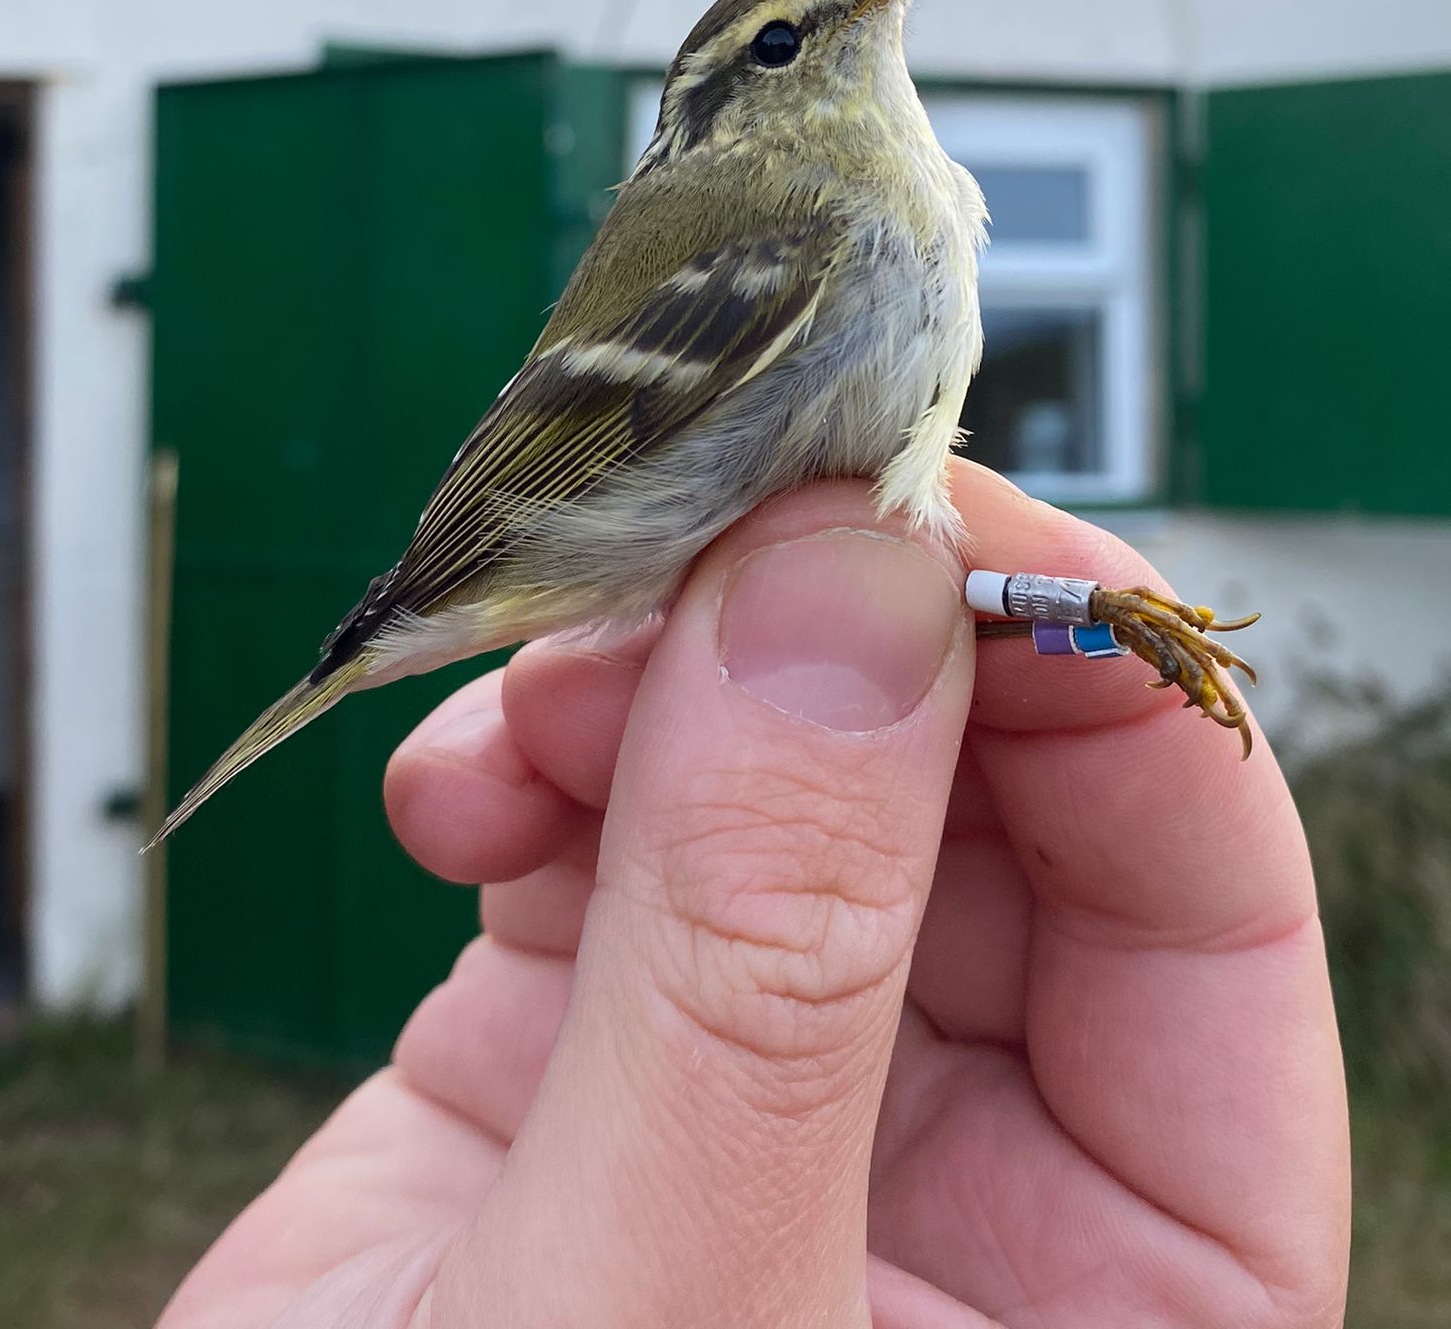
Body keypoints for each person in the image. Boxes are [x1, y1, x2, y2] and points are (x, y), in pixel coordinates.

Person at [158, 465, 1350, 1328]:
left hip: (706, 562)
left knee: (884, 588)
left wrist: (1098, 610)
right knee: (847, 602)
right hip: (603, 530)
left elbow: (936, 572)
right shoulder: (810, 197)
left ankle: (1094, 610)